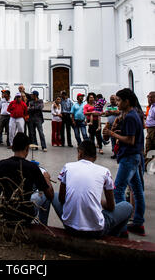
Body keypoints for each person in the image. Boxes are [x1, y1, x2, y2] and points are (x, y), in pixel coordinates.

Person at [51, 140, 133, 238]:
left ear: (80, 153)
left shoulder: (68, 167)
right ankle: (114, 236)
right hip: (96, 231)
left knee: (54, 195)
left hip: (70, 227)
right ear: (95, 158)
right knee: (127, 206)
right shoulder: (105, 172)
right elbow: (111, 207)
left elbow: (61, 198)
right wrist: (99, 202)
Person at [103, 88, 146, 236]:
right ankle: (139, 222)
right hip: (134, 156)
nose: (117, 103)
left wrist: (112, 133)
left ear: (127, 101)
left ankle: (121, 228)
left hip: (129, 157)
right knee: (137, 190)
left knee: (118, 190)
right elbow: (129, 135)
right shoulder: (131, 115)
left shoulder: (130, 117)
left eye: (119, 100)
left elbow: (130, 140)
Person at [0, 132, 54, 225]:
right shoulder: (32, 167)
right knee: (44, 195)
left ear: (12, 148)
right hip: (24, 215)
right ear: (27, 149)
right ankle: (43, 225)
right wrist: (46, 179)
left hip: (4, 211)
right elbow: (50, 195)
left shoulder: (1, 164)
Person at [103, 95, 120, 159]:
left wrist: (111, 112)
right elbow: (106, 114)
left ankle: (118, 153)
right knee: (112, 139)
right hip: (110, 125)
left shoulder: (118, 106)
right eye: (111, 99)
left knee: (117, 140)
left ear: (116, 99)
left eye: (113, 99)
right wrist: (113, 112)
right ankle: (114, 153)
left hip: (117, 126)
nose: (112, 101)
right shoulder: (109, 106)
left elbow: (118, 112)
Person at [144, 91, 155, 164]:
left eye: (151, 97)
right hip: (149, 129)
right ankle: (146, 164)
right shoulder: (151, 106)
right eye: (148, 97)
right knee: (148, 147)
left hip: (154, 129)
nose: (149, 98)